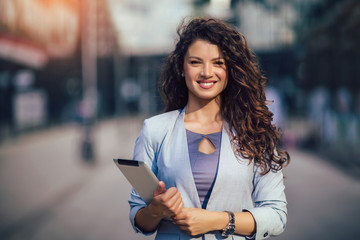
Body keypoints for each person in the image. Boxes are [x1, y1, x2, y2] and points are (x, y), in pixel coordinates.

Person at [128, 17, 290, 240]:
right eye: (195, 62)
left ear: (230, 70)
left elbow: (276, 215)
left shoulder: (255, 131)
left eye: (218, 63)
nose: (206, 72)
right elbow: (139, 216)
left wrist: (217, 220)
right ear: (182, 68)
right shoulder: (154, 130)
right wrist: (155, 210)